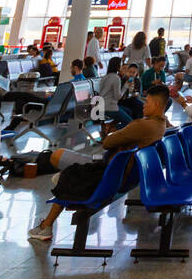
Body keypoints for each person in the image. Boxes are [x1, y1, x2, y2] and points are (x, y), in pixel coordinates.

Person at [29, 84, 172, 241]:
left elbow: (107, 142)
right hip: (123, 174)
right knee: (66, 170)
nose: (144, 106)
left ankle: (46, 226)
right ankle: (47, 224)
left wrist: (112, 133)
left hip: (110, 176)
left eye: (148, 102)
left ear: (157, 105)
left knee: (58, 159)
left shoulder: (143, 125)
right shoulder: (161, 125)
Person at [98, 57, 133, 129]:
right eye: (121, 65)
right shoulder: (116, 78)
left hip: (101, 106)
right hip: (110, 107)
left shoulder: (105, 77)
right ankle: (112, 129)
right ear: (117, 66)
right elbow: (118, 97)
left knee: (129, 111)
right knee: (130, 123)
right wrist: (125, 86)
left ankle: (110, 125)